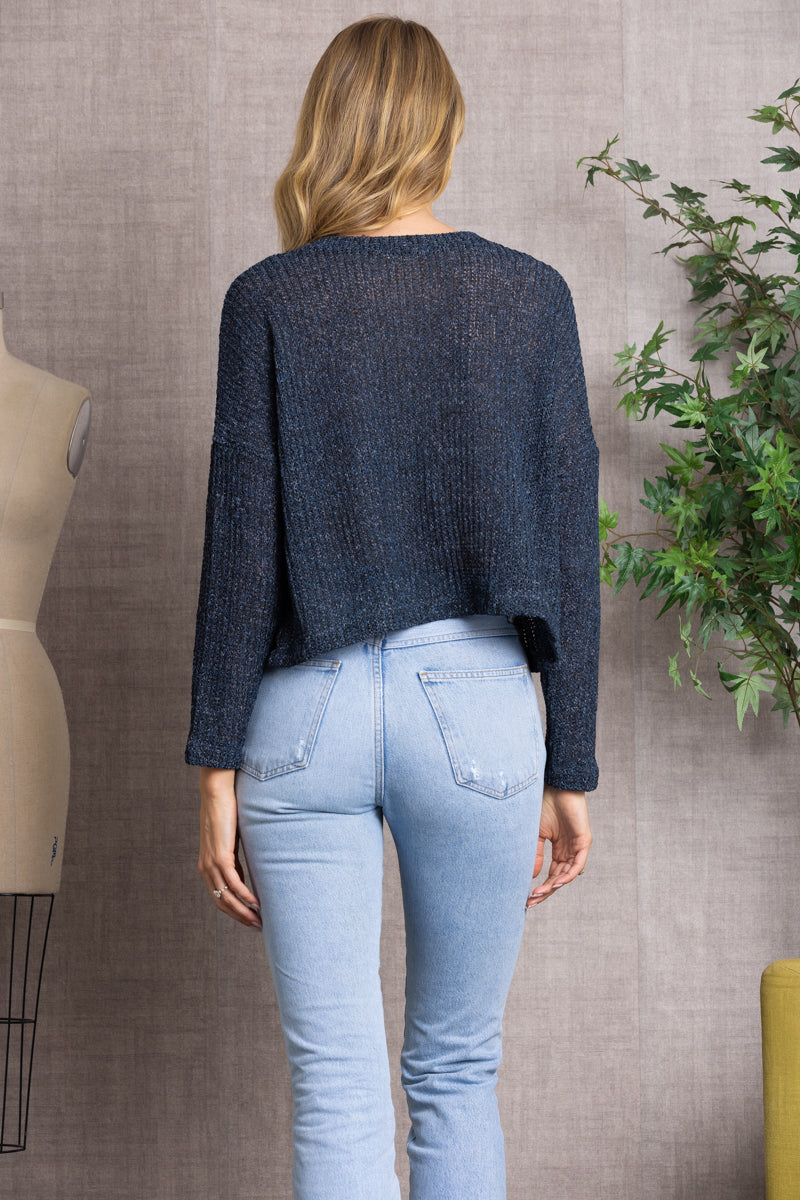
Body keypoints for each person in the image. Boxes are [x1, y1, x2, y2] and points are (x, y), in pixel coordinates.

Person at [184, 15, 600, 1200]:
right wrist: (568, 763)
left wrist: (213, 768)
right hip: (474, 708)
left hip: (300, 712)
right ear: (444, 130)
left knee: (335, 1085)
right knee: (456, 1071)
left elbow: (241, 545)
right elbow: (567, 544)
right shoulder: (528, 296)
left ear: (324, 129)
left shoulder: (268, 298)